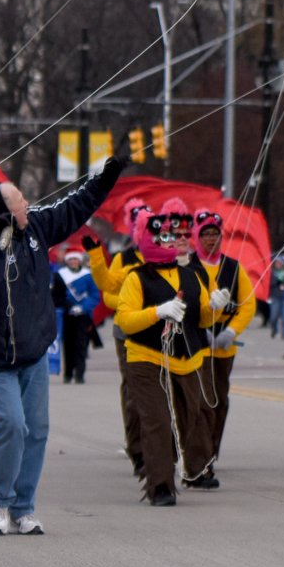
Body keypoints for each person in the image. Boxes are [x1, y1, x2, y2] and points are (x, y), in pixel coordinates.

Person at [0, 155, 123, 536]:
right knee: (11, 424)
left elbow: (74, 207)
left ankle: (23, 509)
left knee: (37, 428)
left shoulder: (36, 228)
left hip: (33, 351)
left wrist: (105, 179)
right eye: (19, 201)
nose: (28, 204)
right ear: (3, 213)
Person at [113, 199, 223, 505]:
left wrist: (214, 307)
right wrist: (157, 312)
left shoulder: (191, 275)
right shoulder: (136, 277)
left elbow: (199, 318)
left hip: (186, 356)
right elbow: (125, 320)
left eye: (172, 237)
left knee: (196, 412)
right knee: (158, 420)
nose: (170, 242)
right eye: (162, 237)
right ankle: (160, 484)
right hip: (146, 357)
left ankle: (197, 469)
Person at [191, 208, 257, 484]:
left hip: (224, 347)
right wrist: (201, 329)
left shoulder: (233, 266)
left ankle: (211, 451)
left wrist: (231, 331)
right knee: (201, 401)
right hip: (198, 346)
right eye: (205, 234)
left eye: (215, 234)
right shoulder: (189, 266)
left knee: (219, 400)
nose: (210, 239)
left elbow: (247, 304)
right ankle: (198, 453)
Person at [86, 208, 150, 477]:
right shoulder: (124, 258)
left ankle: (164, 447)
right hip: (128, 331)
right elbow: (108, 292)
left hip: (159, 331)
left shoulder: (166, 258)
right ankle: (137, 449)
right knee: (133, 393)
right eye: (138, 226)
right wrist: (129, 304)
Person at [56, 250, 100, 384]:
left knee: (81, 345)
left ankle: (80, 374)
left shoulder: (88, 275)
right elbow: (57, 295)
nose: (73, 262)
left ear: (79, 261)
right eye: (71, 259)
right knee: (68, 345)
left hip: (83, 316)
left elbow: (94, 296)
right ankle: (68, 373)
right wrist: (68, 306)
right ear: (67, 261)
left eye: (75, 259)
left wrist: (83, 307)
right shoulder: (60, 275)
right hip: (67, 315)